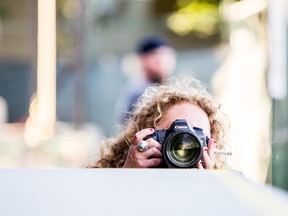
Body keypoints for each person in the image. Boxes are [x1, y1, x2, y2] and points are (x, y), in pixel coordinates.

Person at [88, 76, 228, 169]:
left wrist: (207, 187)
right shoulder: (115, 181)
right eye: (174, 135)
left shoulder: (222, 198)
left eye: (197, 137)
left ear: (211, 148)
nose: (185, 147)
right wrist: (129, 174)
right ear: (148, 138)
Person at [116, 34, 176, 124]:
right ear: (143, 59)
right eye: (157, 58)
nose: (164, 64)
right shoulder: (138, 91)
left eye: (168, 58)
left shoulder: (167, 85)